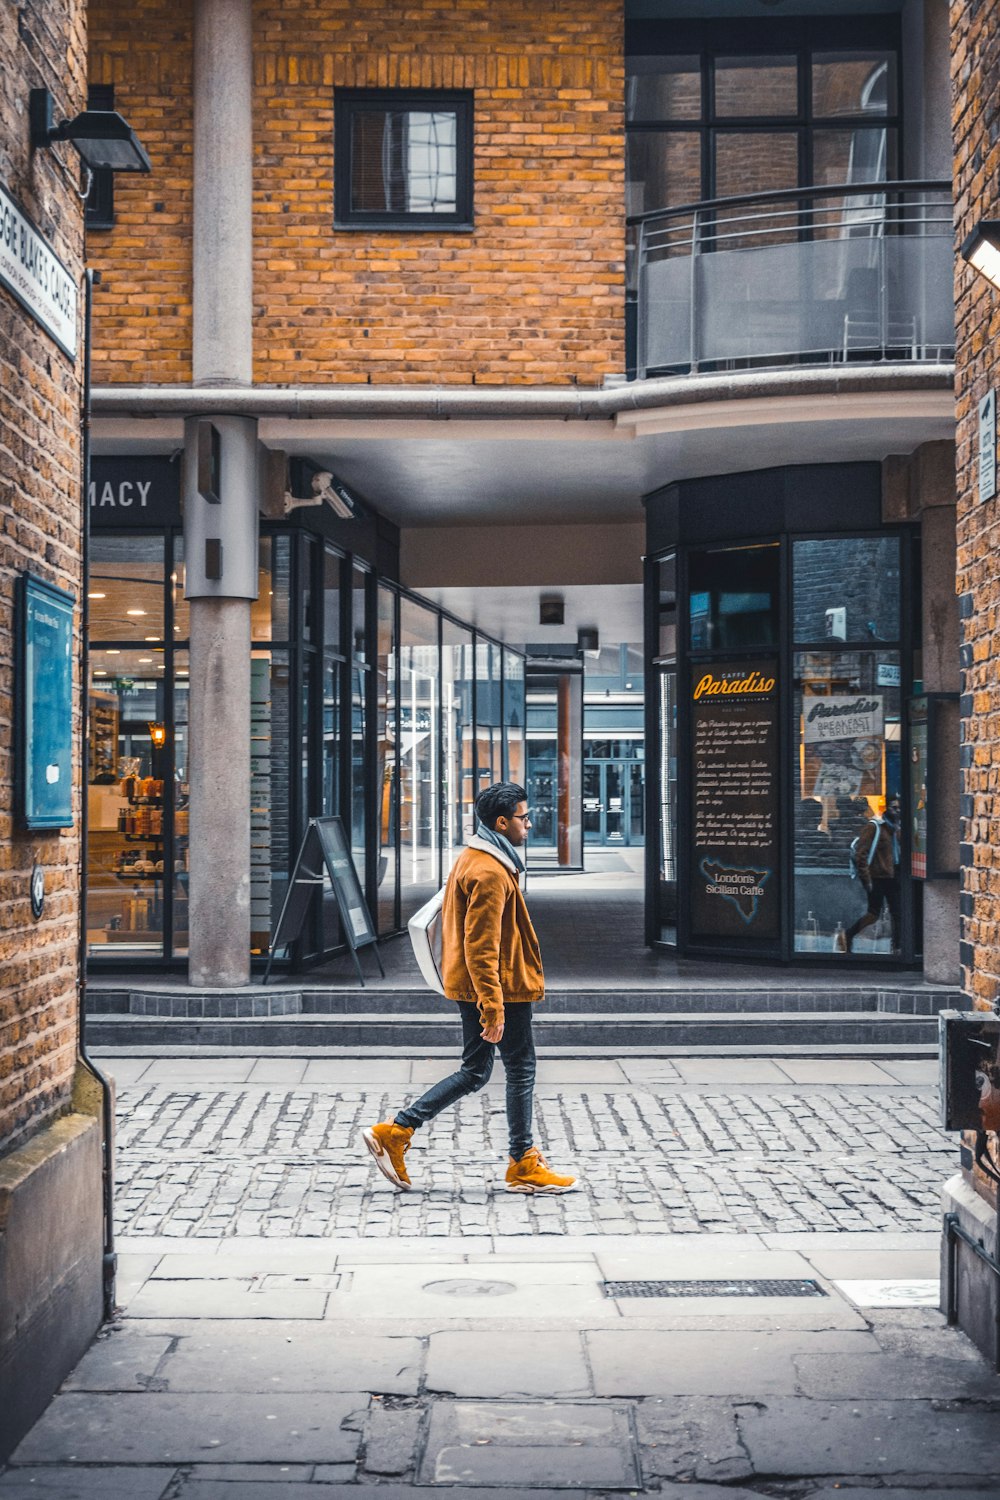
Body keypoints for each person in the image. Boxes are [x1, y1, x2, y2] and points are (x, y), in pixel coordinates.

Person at [361, 781, 576, 1195]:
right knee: (521, 1068)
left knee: (476, 1070)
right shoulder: (490, 870)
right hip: (499, 989)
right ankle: (523, 1163)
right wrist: (492, 1009)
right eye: (523, 818)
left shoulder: (475, 856)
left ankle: (398, 1130)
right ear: (502, 822)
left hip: (477, 986)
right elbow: (482, 946)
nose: (529, 824)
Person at [844, 794, 902, 952]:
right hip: (877, 877)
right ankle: (848, 935)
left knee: (898, 913)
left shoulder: (896, 829)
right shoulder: (875, 827)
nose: (897, 811)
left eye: (899, 808)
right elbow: (861, 854)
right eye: (893, 808)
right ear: (886, 809)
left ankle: (897, 947)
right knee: (873, 913)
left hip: (893, 877)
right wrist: (866, 878)